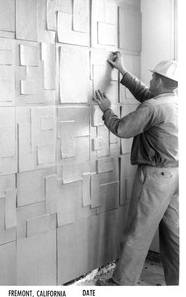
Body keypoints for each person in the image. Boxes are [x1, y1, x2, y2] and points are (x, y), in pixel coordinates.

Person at [92, 51, 179, 286]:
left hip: (155, 178)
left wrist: (106, 109)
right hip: (176, 176)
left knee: (137, 234)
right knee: (174, 236)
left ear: (159, 81)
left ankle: (121, 285)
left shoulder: (153, 106)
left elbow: (122, 129)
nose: (149, 81)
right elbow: (146, 94)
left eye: (152, 78)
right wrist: (122, 70)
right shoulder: (174, 102)